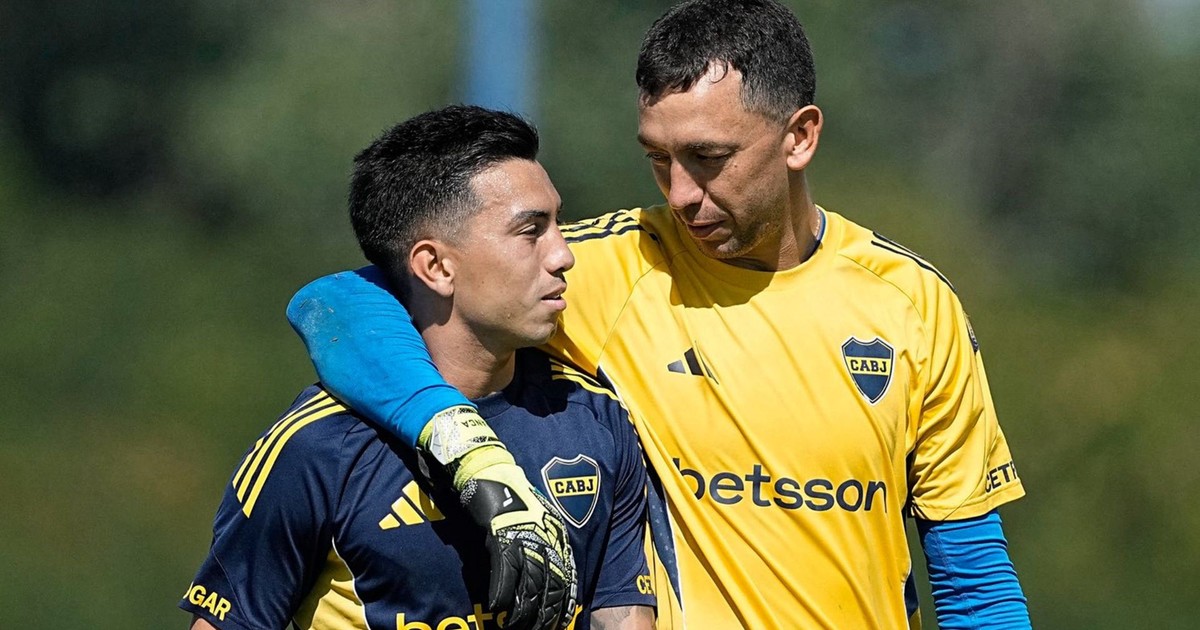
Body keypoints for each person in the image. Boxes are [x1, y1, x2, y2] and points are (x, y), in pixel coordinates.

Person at [286, 1, 1033, 628]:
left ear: (800, 137)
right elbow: (336, 303)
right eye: (658, 158)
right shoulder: (600, 271)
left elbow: (973, 579)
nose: (679, 193)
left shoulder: (912, 304)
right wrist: (461, 441)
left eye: (708, 158)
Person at [181, 105, 657, 630]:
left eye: (557, 224)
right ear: (435, 266)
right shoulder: (317, 449)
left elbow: (624, 616)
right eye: (530, 231)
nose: (564, 255)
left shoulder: (595, 417)